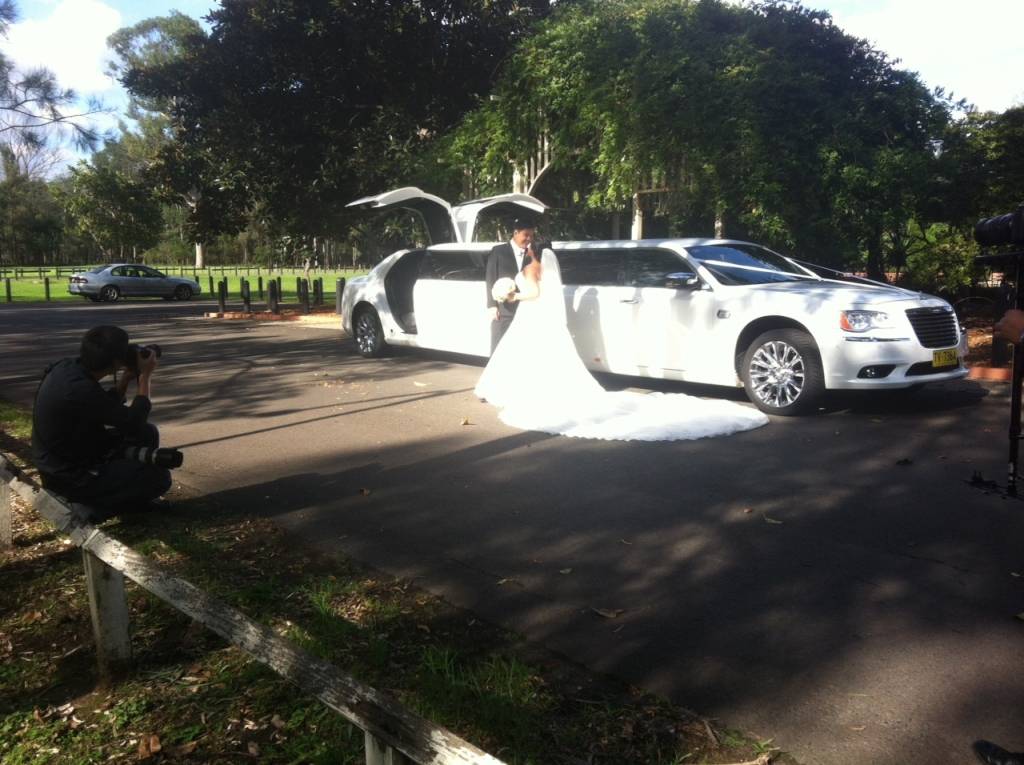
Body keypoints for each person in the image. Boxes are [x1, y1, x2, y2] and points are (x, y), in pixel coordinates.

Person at [474, 243, 770, 441]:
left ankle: (522, 389)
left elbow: (535, 293)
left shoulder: (530, 268)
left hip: (531, 315)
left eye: (528, 247)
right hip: (537, 319)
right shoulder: (539, 266)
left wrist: (511, 295)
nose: (525, 249)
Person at [31, 325, 173, 520]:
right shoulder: (79, 390)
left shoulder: (67, 369)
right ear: (116, 361)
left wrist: (124, 381)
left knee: (147, 433)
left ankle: (127, 494)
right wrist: (145, 377)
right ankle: (90, 507)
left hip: (73, 453)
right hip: (70, 477)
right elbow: (133, 422)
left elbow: (100, 406)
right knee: (159, 477)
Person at [485, 217, 535, 353]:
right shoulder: (498, 251)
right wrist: (492, 305)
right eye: (526, 235)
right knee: (498, 345)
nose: (529, 238)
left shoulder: (532, 255)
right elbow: (490, 277)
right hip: (503, 310)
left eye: (531, 235)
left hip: (524, 309)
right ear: (516, 232)